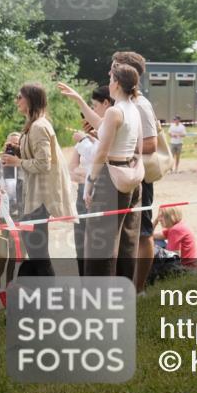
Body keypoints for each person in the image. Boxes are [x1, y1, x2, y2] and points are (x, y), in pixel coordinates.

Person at [0, 83, 76, 276]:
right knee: (37, 254)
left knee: (38, 255)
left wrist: (18, 161)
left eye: (20, 96)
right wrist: (18, 153)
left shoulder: (39, 127)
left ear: (31, 100)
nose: (16, 100)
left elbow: (44, 164)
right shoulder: (34, 125)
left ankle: (50, 298)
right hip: (33, 197)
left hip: (39, 198)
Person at [82, 64, 144, 278]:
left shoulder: (114, 111)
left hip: (111, 179)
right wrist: (80, 102)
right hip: (130, 176)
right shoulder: (133, 108)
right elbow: (138, 146)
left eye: (110, 79)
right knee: (127, 240)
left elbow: (101, 153)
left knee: (100, 243)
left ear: (116, 83)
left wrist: (89, 184)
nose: (108, 83)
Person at [69, 86, 113, 275]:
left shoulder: (106, 136)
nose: (91, 114)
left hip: (101, 193)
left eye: (94, 107)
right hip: (82, 193)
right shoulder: (85, 138)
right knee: (80, 242)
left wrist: (86, 142)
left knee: (98, 243)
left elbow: (104, 163)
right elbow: (71, 171)